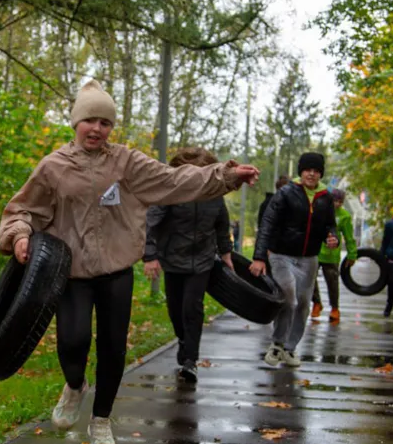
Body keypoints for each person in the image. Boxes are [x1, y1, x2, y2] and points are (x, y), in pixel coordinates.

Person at [0, 80, 259, 444]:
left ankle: (102, 421)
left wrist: (226, 176)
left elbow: (175, 181)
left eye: (105, 122)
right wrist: (20, 236)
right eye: (90, 120)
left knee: (113, 348)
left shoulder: (126, 163)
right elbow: (21, 209)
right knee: (72, 341)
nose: (97, 129)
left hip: (117, 271)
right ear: (75, 122)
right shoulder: (53, 167)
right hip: (71, 272)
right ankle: (74, 385)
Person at [143, 147, 234, 384]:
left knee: (192, 308)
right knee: (175, 310)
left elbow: (222, 225)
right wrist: (150, 256)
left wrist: (226, 253)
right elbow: (149, 224)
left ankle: (190, 360)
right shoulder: (169, 192)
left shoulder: (215, 195)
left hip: (202, 259)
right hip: (172, 258)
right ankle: (184, 342)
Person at [249, 152, 338, 368]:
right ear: (301, 171)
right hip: (281, 255)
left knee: (304, 304)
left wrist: (331, 236)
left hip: (309, 258)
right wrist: (259, 257)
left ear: (320, 174)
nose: (312, 174)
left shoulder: (325, 197)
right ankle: (277, 344)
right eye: (308, 170)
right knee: (289, 297)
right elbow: (267, 224)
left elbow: (329, 223)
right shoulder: (286, 193)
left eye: (316, 171)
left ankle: (290, 349)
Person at [311, 188, 357, 323]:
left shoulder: (344, 216)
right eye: (335, 201)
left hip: (332, 255)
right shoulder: (320, 210)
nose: (337, 204)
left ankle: (335, 308)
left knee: (332, 282)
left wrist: (352, 254)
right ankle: (316, 303)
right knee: (310, 279)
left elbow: (349, 237)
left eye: (340, 202)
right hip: (316, 252)